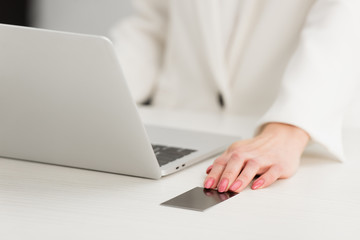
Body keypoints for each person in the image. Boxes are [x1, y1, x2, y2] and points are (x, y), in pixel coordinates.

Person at [110, 0, 359, 192]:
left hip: (296, 133)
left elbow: (346, 17)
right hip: (180, 125)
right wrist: (101, 92)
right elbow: (156, 22)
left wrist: (290, 127)